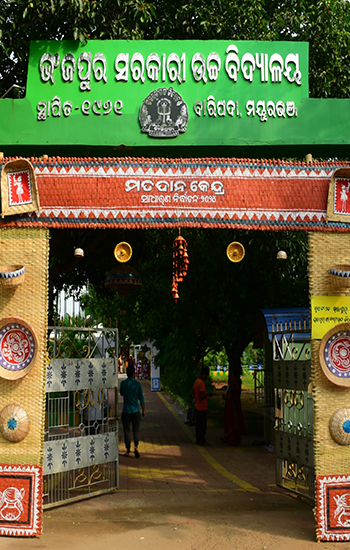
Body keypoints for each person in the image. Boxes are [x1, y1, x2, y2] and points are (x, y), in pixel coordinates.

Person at [120, 364, 145, 458]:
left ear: (126, 374)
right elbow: (141, 398)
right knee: (136, 429)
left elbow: (122, 393)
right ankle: (136, 446)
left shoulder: (123, 383)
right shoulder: (138, 384)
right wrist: (144, 410)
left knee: (127, 431)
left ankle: (127, 450)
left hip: (126, 410)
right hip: (136, 410)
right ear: (134, 374)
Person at [222, 373, 245, 446]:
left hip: (232, 407)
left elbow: (229, 397)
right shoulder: (236, 386)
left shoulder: (232, 387)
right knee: (234, 423)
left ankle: (231, 439)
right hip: (234, 407)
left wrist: (224, 398)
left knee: (232, 423)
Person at [193, 366, 214, 446]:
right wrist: (209, 394)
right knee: (202, 426)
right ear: (204, 374)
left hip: (197, 406)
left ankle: (198, 440)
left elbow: (193, 392)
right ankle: (202, 440)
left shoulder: (196, 382)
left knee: (198, 425)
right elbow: (202, 395)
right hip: (202, 407)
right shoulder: (201, 383)